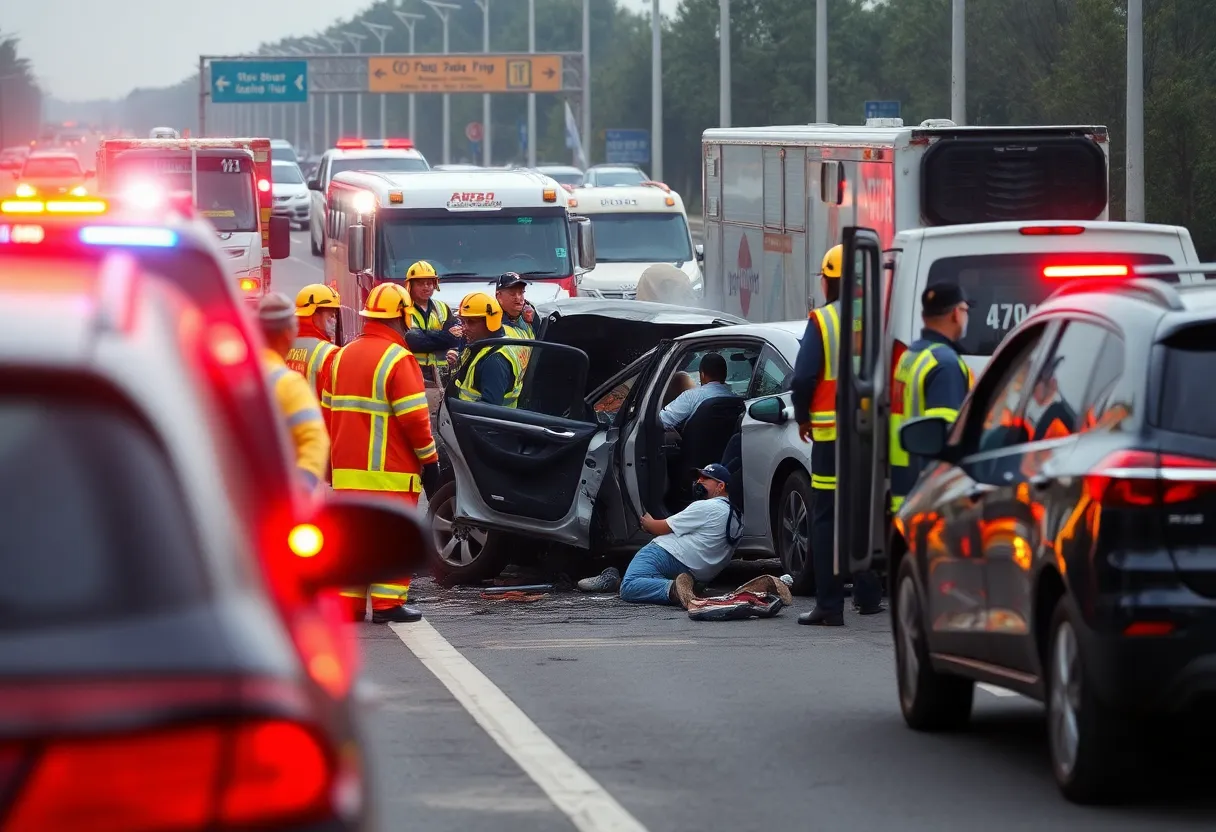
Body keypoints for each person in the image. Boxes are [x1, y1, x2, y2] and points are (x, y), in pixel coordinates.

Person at [321, 282, 438, 624]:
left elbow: (327, 414)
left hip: (347, 470)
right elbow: (415, 419)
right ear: (402, 316)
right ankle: (388, 604)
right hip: (390, 471)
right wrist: (430, 460)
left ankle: (351, 604)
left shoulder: (340, 356)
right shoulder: (398, 359)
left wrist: (330, 463)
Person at [791, 244, 883, 626]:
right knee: (863, 511)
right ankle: (868, 595)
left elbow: (803, 377)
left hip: (831, 437)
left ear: (829, 281)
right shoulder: (878, 319)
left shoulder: (824, 320)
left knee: (827, 517)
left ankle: (830, 606)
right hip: (870, 434)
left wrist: (802, 417)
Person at [576, 465, 752, 605]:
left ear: (720, 486)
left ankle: (674, 588)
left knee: (630, 587)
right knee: (643, 580)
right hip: (698, 574)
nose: (698, 481)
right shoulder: (737, 516)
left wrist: (644, 517)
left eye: (705, 479)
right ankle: (614, 580)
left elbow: (657, 528)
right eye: (698, 478)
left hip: (667, 554)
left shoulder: (707, 507)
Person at [889, 283, 975, 511]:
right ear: (956, 313)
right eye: (965, 310)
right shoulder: (945, 364)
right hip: (928, 495)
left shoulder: (911, 355)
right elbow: (945, 439)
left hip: (904, 482)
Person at [257, 293, 330, 496]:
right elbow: (315, 441)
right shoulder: (287, 383)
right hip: (278, 495)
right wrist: (302, 490)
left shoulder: (237, 376)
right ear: (288, 333)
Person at [402, 260, 462, 417]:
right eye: (420, 283)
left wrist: (452, 348)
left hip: (441, 375)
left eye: (429, 283)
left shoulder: (443, 308)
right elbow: (412, 340)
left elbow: (456, 338)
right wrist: (445, 337)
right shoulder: (403, 309)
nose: (426, 287)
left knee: (441, 418)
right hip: (413, 373)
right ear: (410, 286)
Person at [452, 292, 523, 408]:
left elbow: (488, 411)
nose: (464, 328)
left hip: (475, 419)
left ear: (490, 322)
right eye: (463, 322)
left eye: (471, 322)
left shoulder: (494, 361)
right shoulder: (480, 346)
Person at [287, 283, 341, 402]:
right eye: (331, 315)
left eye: (335, 315)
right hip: (314, 413)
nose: (334, 321)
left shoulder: (283, 346)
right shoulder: (330, 354)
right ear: (314, 315)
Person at [659, 353, 736, 432]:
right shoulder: (738, 401)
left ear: (702, 375)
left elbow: (661, 421)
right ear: (725, 375)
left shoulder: (691, 396)